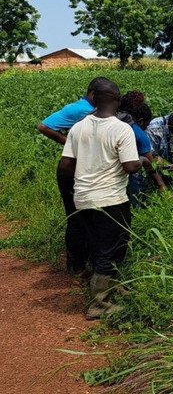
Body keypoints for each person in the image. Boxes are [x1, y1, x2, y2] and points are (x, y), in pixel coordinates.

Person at [57, 79, 144, 319]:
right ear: (118, 100)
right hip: (111, 200)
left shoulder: (78, 127)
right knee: (113, 248)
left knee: (97, 246)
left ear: (93, 98)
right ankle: (99, 304)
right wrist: (142, 161)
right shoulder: (121, 129)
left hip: (83, 198)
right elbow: (129, 167)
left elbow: (65, 166)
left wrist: (86, 178)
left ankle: (107, 289)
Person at [37, 77, 110, 274]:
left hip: (84, 169)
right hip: (73, 169)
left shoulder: (91, 110)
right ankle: (76, 266)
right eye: (104, 97)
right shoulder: (79, 110)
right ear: (93, 95)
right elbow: (43, 126)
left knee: (84, 217)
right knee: (77, 218)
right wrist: (69, 143)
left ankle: (80, 262)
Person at [118, 91, 167, 204]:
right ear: (141, 121)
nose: (146, 128)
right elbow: (150, 163)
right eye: (146, 125)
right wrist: (161, 183)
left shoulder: (111, 117)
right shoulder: (139, 133)